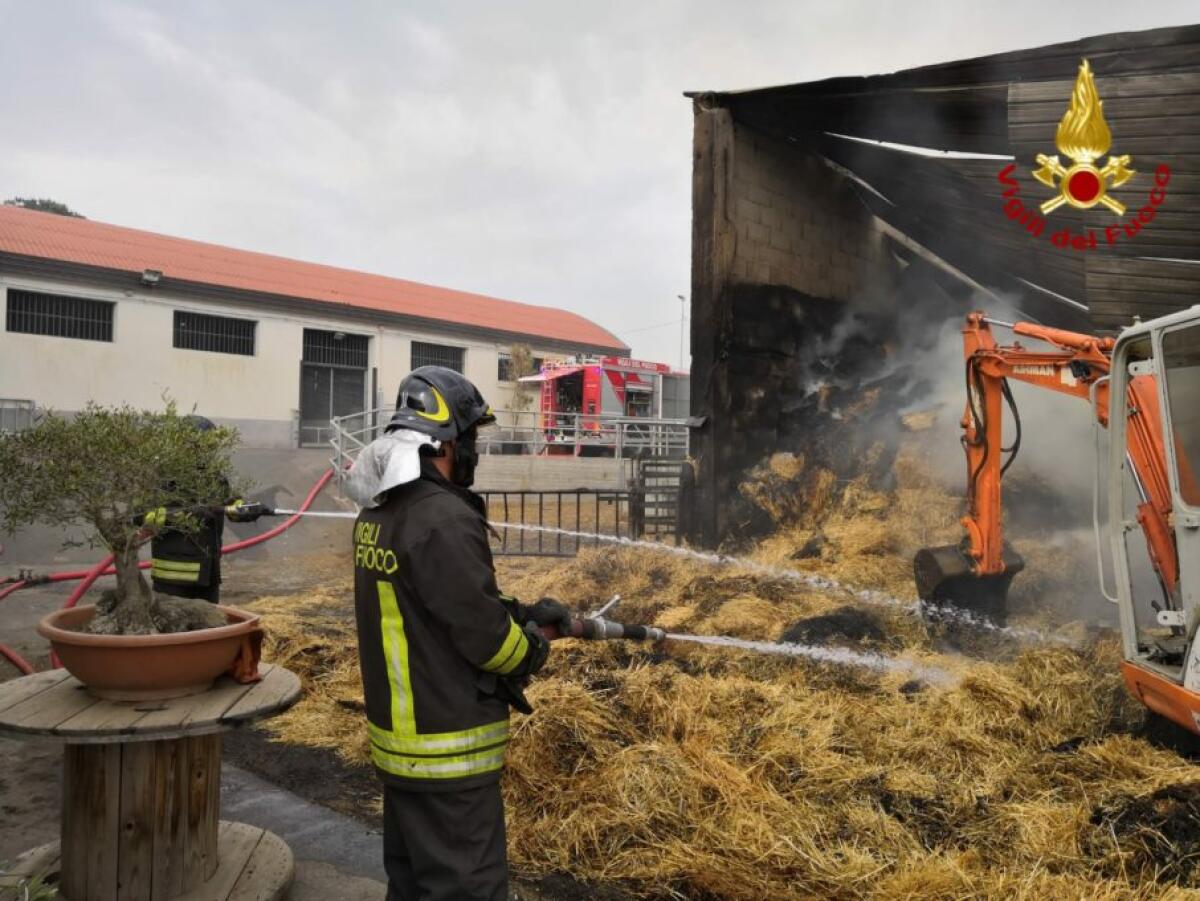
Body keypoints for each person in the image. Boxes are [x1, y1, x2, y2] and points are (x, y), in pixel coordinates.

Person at [350, 366, 571, 901]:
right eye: (471, 438)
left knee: (411, 885)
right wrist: (531, 647)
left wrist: (518, 611)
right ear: (445, 442)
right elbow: (487, 641)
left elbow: (432, 602)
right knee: (464, 889)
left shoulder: (380, 513)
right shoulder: (443, 519)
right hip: (447, 752)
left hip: (401, 745)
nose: (474, 451)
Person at [146, 415, 263, 603]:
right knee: (176, 621)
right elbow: (144, 516)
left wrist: (243, 509)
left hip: (208, 575)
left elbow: (224, 506)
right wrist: (196, 513)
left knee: (211, 619)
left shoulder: (215, 478)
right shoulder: (163, 478)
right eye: (199, 445)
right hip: (173, 579)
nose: (205, 451)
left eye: (209, 446)